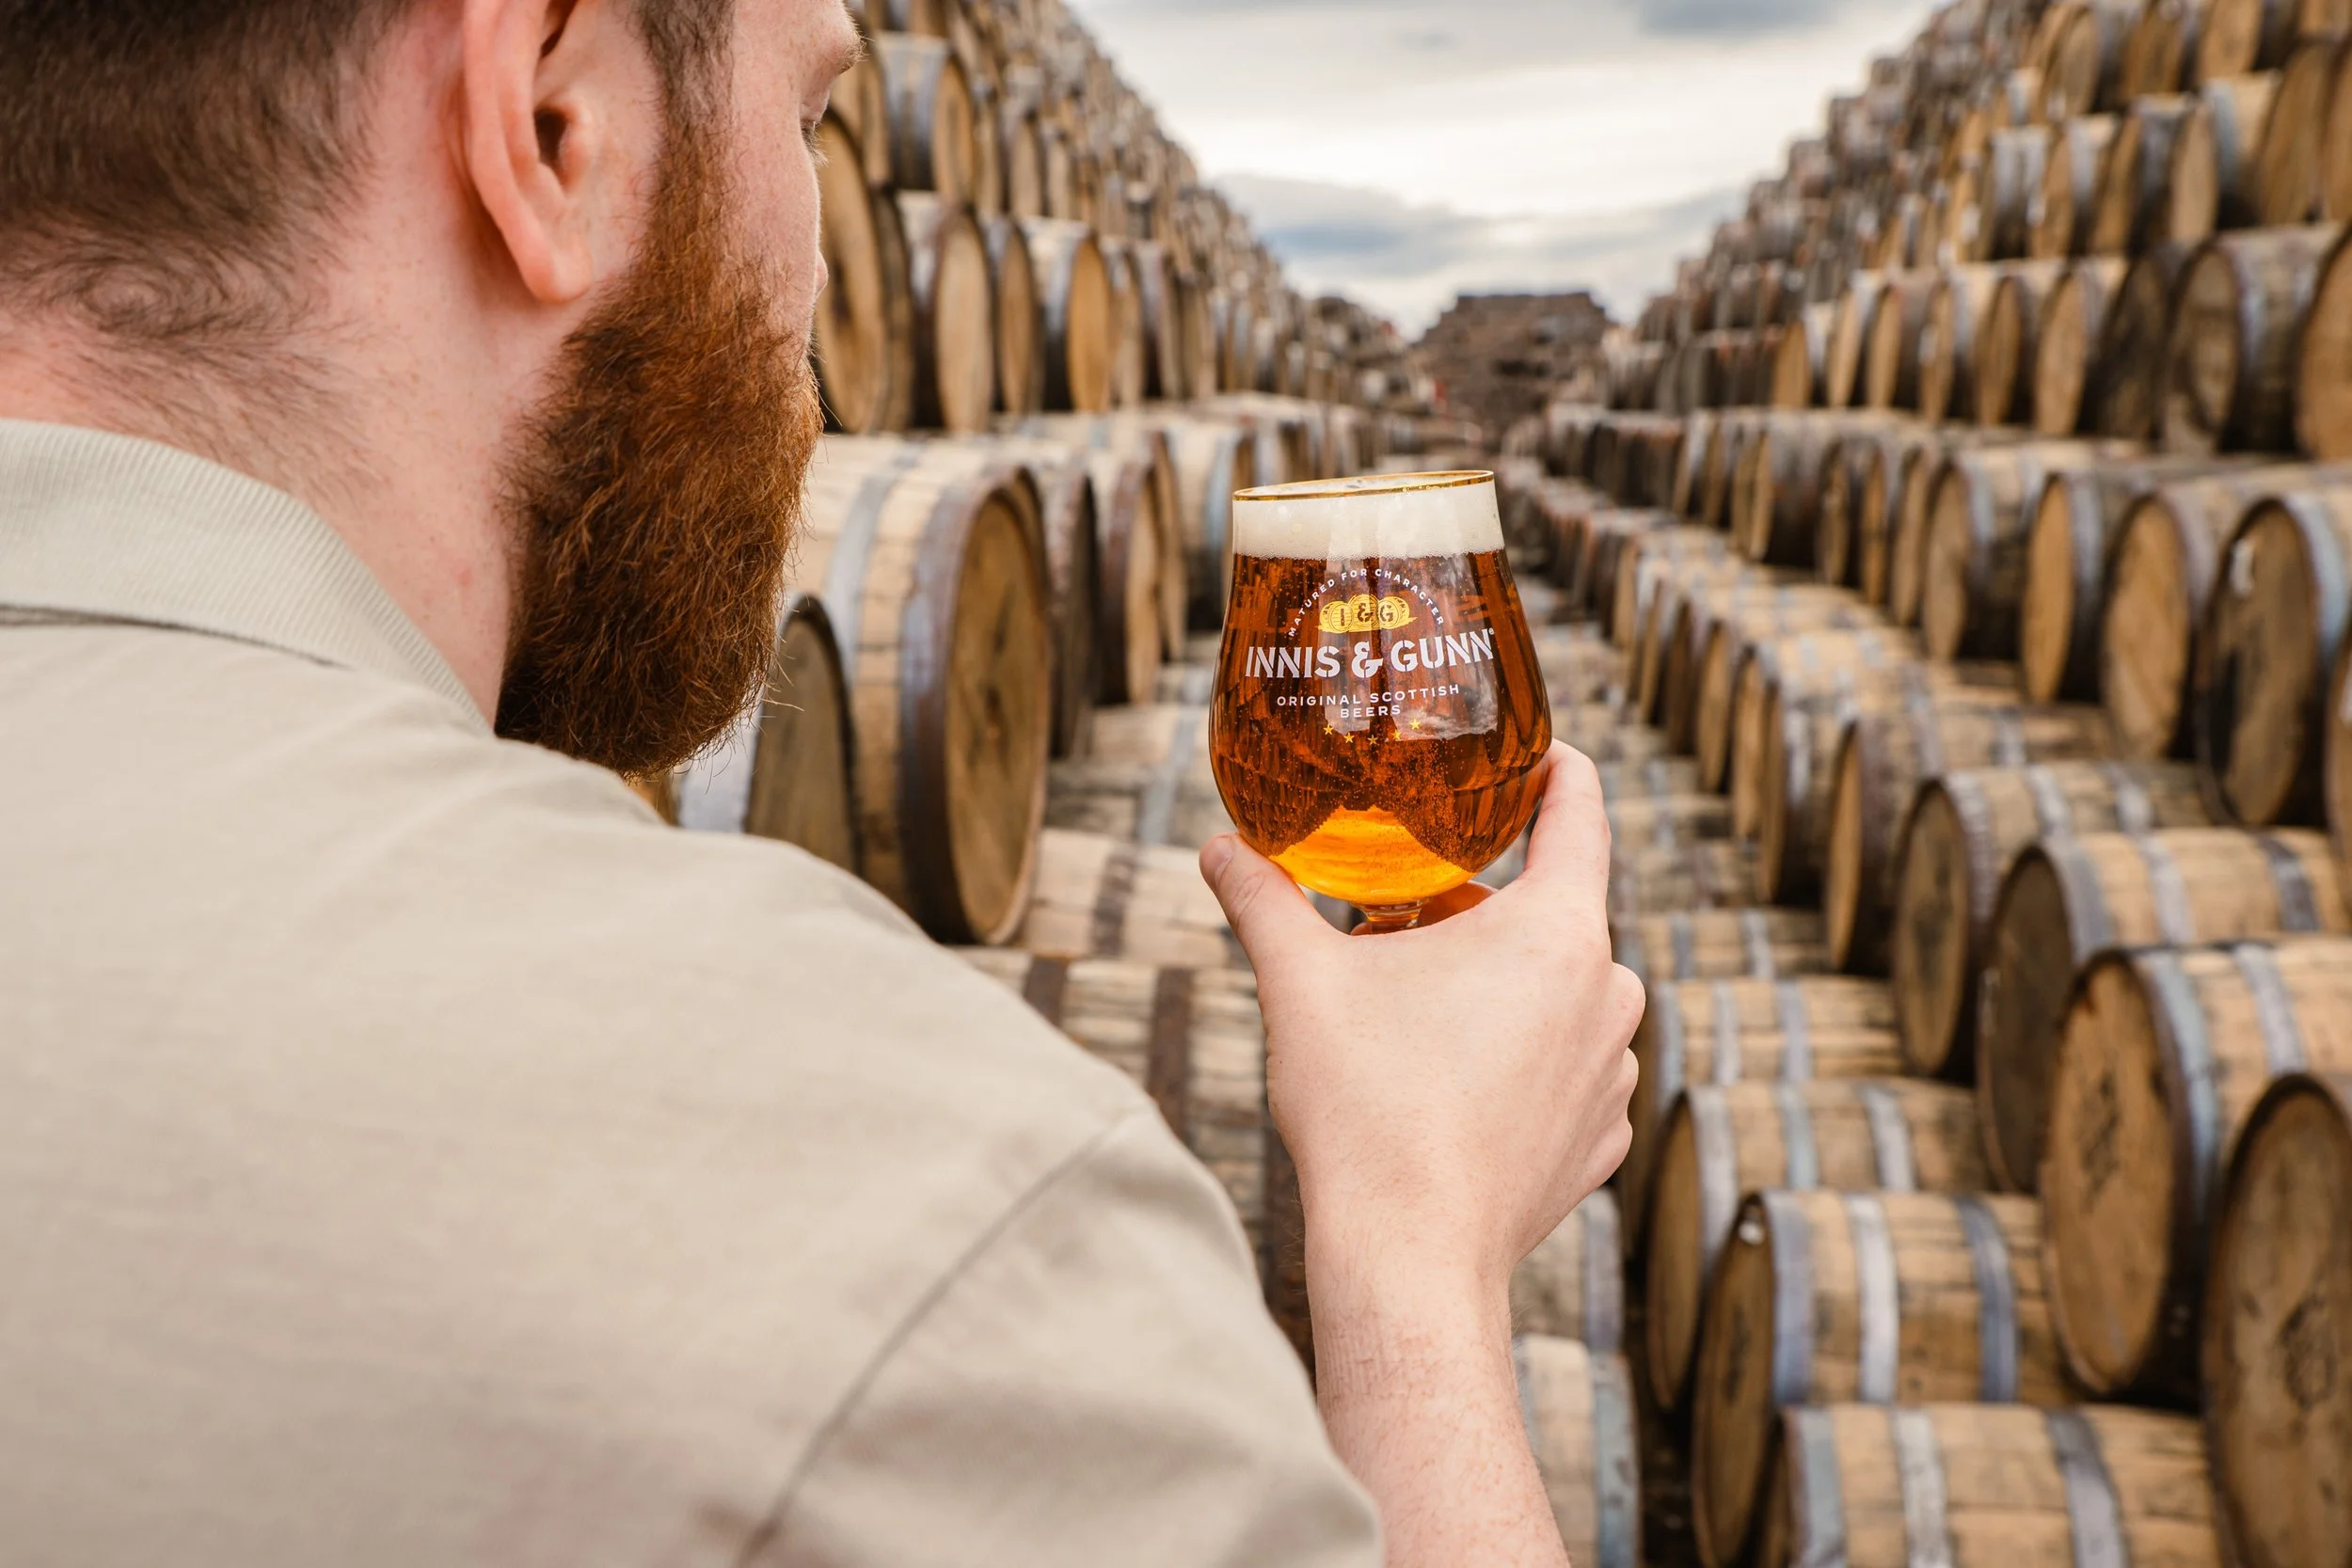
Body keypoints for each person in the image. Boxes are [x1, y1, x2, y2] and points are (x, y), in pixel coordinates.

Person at [0, 1, 1643, 1563]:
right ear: (549, 126)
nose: (827, 288)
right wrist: (1416, 1258)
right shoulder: (908, 1207)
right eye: (808, 114)